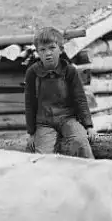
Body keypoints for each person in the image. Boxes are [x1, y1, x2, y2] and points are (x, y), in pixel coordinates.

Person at [23, 27, 96, 158]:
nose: (48, 53)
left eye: (52, 48)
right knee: (42, 157)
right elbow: (30, 103)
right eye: (43, 50)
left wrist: (88, 126)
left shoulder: (69, 71)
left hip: (68, 119)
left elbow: (80, 99)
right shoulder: (32, 73)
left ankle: (91, 170)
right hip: (44, 123)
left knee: (80, 142)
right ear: (38, 52)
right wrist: (31, 133)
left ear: (61, 49)